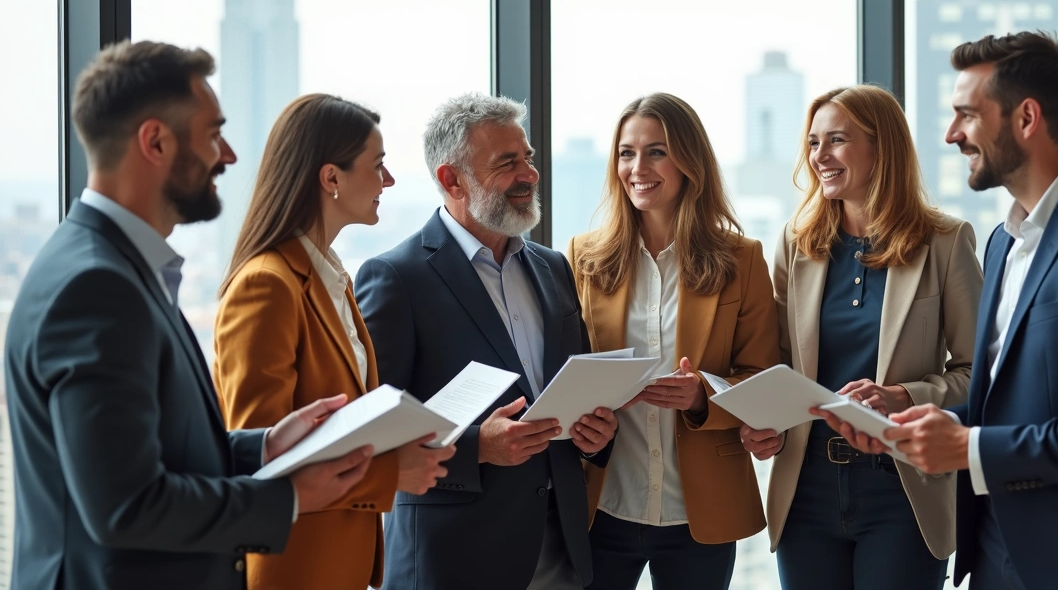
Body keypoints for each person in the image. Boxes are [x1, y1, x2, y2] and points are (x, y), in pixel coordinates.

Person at [2, 41, 374, 590]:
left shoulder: (119, 267)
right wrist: (291, 496)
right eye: (212, 135)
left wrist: (268, 443)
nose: (228, 155)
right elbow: (128, 506)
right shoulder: (97, 286)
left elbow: (162, 453)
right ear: (155, 141)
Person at [827, 31, 1058, 590]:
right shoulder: (1001, 241)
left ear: (1026, 118)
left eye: (967, 115)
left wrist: (968, 446)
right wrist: (927, 427)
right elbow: (1015, 400)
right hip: (997, 558)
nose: (951, 135)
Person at [354, 93, 618, 590]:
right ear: (451, 180)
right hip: (454, 558)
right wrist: (478, 447)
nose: (530, 175)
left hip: (561, 552)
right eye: (508, 163)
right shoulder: (395, 277)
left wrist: (598, 435)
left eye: (529, 158)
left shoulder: (552, 266)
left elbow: (574, 385)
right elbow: (374, 431)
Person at [741, 84, 983, 590]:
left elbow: (978, 374)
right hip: (805, 487)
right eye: (812, 142)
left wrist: (903, 396)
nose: (819, 157)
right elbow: (779, 364)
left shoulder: (945, 240)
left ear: (881, 147)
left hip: (902, 488)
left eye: (836, 141)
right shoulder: (795, 243)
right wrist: (763, 423)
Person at [212, 93, 456, 589]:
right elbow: (261, 451)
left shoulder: (334, 278)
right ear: (331, 179)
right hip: (293, 566)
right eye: (378, 165)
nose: (387, 181)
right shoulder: (268, 284)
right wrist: (391, 472)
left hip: (334, 562)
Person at [566, 92, 779, 590]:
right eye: (626, 153)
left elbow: (763, 378)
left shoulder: (741, 259)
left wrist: (703, 395)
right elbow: (562, 373)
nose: (638, 167)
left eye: (656, 151)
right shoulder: (582, 257)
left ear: (689, 160)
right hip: (604, 501)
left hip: (700, 511)